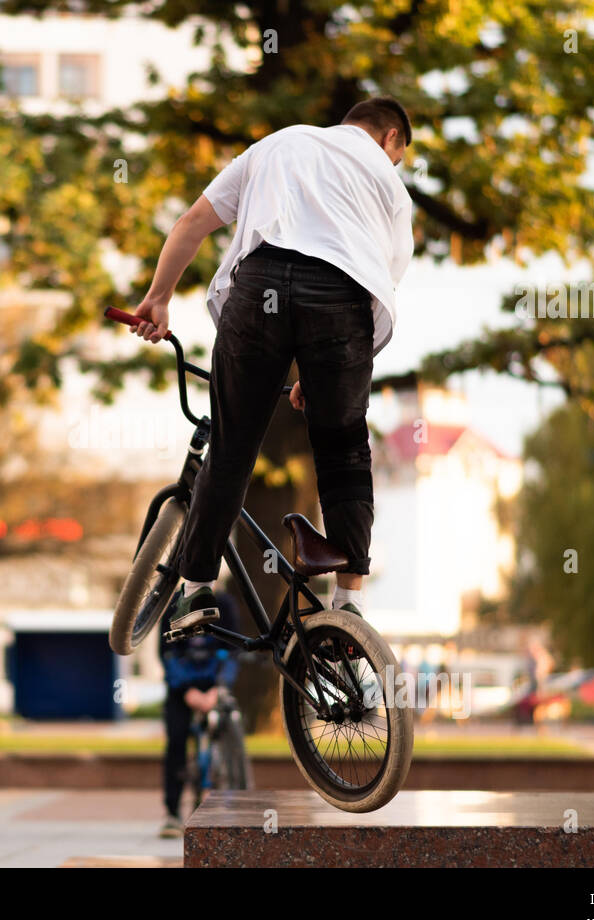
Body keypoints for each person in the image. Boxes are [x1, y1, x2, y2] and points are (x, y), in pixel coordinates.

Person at [129, 97, 415, 633]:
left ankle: (196, 593)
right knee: (344, 449)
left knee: (234, 445)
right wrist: (323, 367)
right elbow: (383, 281)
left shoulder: (279, 143)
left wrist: (158, 297)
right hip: (344, 299)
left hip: (261, 287)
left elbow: (192, 222)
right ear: (390, 139)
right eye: (399, 154)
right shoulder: (387, 182)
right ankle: (350, 600)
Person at [157, 583, 242, 838]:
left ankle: (230, 795)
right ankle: (172, 812)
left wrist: (220, 686)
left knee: (230, 729)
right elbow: (167, 653)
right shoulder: (173, 606)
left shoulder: (225, 605)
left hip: (215, 685)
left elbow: (233, 649)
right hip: (182, 688)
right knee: (176, 739)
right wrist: (186, 691)